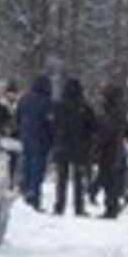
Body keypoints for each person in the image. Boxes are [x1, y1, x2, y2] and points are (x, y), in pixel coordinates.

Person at [50, 79, 97, 217]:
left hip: (62, 146)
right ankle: (79, 207)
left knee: (61, 179)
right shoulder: (84, 107)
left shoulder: (59, 106)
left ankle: (59, 205)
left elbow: (52, 125)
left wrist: (55, 140)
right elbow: (92, 126)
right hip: (80, 147)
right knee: (79, 180)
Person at [91, 83, 128, 219]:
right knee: (114, 181)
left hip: (108, 151)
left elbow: (105, 133)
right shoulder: (122, 112)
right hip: (119, 151)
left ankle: (111, 208)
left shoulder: (109, 112)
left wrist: (96, 143)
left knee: (108, 181)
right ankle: (112, 206)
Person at [15, 75, 54, 209]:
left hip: (26, 138)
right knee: (37, 172)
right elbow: (50, 124)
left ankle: (25, 192)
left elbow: (18, 118)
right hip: (41, 141)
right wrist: (52, 139)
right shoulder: (47, 103)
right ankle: (34, 197)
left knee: (26, 167)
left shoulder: (24, 99)